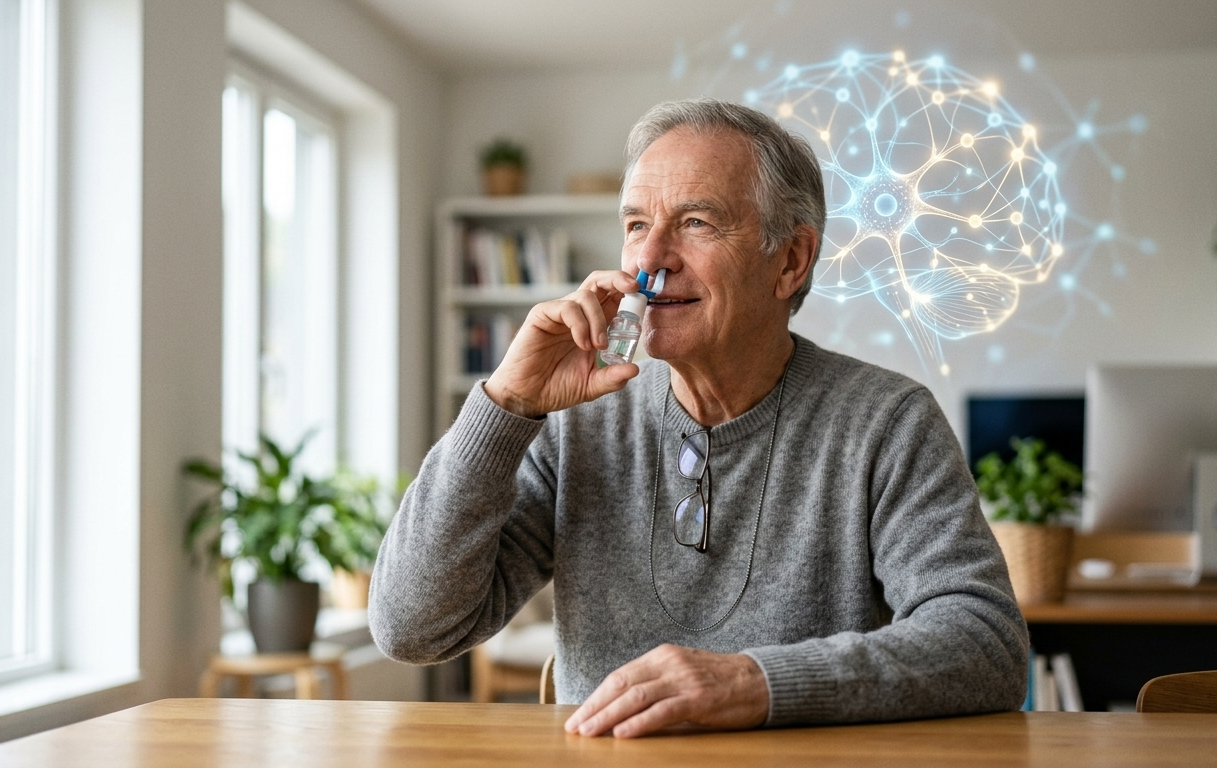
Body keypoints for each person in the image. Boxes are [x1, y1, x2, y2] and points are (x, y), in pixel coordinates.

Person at [369, 98, 1029, 738]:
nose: (650, 261)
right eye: (635, 226)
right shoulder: (580, 422)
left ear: (790, 261)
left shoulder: (886, 422)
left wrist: (755, 684)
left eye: (696, 223)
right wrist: (504, 408)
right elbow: (413, 630)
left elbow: (987, 644)